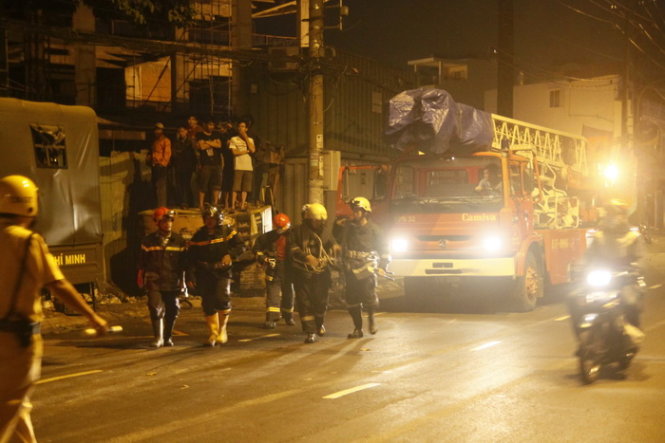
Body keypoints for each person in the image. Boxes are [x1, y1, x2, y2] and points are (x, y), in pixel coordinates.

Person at [0, 175, 108, 442]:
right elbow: (57, 285)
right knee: (9, 407)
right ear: (29, 204)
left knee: (16, 406)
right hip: (18, 341)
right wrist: (92, 317)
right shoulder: (27, 241)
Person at [334, 197, 390, 338]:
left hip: (367, 268)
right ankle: (357, 329)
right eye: (354, 210)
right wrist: (337, 226)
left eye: (358, 210)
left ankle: (371, 318)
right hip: (350, 268)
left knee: (368, 296)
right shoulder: (347, 228)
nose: (355, 213)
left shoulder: (375, 230)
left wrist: (383, 266)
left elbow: (384, 250)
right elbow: (336, 237)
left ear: (366, 212)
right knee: (351, 299)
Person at [188, 205, 243, 346]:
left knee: (222, 297)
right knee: (208, 302)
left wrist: (229, 254)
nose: (209, 221)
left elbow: (240, 246)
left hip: (222, 271)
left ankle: (222, 330)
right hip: (205, 272)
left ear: (218, 218)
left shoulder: (227, 231)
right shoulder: (199, 235)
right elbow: (190, 257)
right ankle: (213, 332)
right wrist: (190, 275)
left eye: (212, 218)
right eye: (207, 218)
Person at [137, 207, 188, 348]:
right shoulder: (148, 241)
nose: (168, 224)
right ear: (157, 222)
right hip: (155, 280)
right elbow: (142, 262)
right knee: (155, 308)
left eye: (170, 221)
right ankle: (158, 338)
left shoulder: (179, 241)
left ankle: (167, 337)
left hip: (173, 281)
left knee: (173, 309)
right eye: (165, 221)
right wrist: (140, 277)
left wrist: (184, 283)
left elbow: (184, 264)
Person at [289, 203, 337, 344]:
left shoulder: (326, 233)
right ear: (308, 219)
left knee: (320, 302)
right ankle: (310, 331)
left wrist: (335, 247)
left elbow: (331, 242)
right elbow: (291, 248)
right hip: (302, 274)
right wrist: (306, 257)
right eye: (315, 220)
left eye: (320, 221)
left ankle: (319, 323)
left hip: (321, 275)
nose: (317, 223)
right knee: (304, 303)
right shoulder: (297, 231)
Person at [253, 213, 296, 329]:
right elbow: (256, 250)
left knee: (289, 294)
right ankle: (272, 319)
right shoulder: (267, 237)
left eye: (283, 227)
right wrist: (264, 259)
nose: (281, 230)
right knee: (273, 294)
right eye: (279, 228)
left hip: (289, 268)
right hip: (274, 269)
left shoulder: (293, 236)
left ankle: (288, 316)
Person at [196, 120, 223, 209]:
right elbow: (201, 147)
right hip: (205, 163)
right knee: (203, 184)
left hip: (216, 163)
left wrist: (206, 142)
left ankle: (215, 203)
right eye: (209, 124)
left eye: (212, 125)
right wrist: (213, 143)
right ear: (205, 124)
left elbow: (219, 145)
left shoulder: (216, 134)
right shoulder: (200, 134)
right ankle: (201, 204)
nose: (211, 127)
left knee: (216, 185)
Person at [229, 120, 256, 211]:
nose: (241, 128)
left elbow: (252, 150)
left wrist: (246, 138)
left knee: (245, 188)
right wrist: (246, 151)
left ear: (246, 128)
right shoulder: (234, 139)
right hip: (238, 166)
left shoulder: (250, 139)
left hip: (248, 167)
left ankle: (242, 204)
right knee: (236, 187)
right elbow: (234, 152)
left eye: (243, 126)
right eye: (240, 126)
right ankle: (232, 205)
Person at [171, 126, 197, 208]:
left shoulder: (190, 142)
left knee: (187, 184)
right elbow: (174, 154)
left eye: (183, 131)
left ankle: (187, 202)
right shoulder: (176, 142)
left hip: (188, 166)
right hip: (179, 166)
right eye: (180, 131)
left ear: (186, 132)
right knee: (179, 184)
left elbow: (193, 154)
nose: (181, 133)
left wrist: (194, 166)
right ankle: (181, 201)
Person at [151, 122, 172, 207]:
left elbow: (167, 153)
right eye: (156, 129)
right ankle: (158, 205)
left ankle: (161, 206)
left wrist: (163, 164)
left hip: (161, 165)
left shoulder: (165, 140)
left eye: (159, 129)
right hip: (155, 165)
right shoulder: (155, 141)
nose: (157, 131)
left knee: (161, 186)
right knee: (157, 186)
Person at [218, 121, 235, 209]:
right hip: (224, 161)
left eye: (224, 128)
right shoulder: (220, 136)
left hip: (232, 161)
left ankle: (231, 202)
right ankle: (225, 202)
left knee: (231, 183)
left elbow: (235, 134)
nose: (222, 130)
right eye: (221, 128)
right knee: (225, 183)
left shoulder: (230, 136)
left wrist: (231, 128)